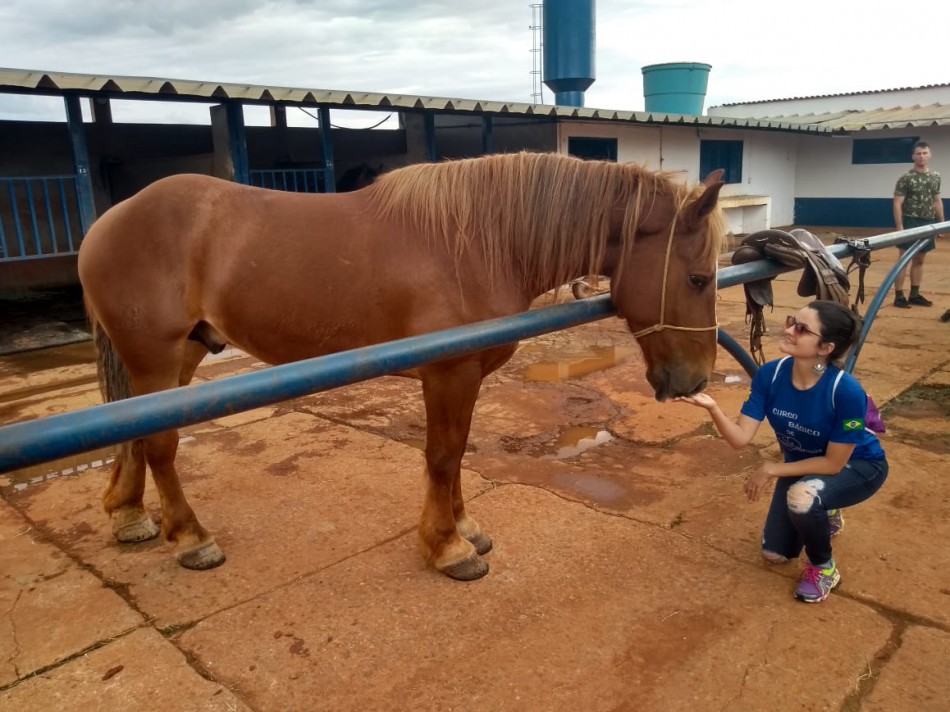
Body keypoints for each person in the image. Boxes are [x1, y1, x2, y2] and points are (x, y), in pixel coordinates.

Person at [675, 300, 888, 603]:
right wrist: (712, 408)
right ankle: (827, 509)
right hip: (805, 466)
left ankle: (823, 567)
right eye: (791, 321)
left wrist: (772, 468)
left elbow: (833, 463)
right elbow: (740, 439)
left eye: (801, 329)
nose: (788, 330)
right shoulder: (771, 375)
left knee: (802, 498)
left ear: (825, 347)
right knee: (774, 553)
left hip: (858, 467)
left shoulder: (845, 390)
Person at [892, 140, 943, 308]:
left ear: (930, 155)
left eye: (925, 153)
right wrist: (900, 226)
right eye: (918, 154)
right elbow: (897, 203)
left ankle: (914, 294)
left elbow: (937, 200)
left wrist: (941, 223)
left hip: (928, 222)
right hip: (910, 221)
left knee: (920, 259)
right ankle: (899, 296)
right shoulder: (906, 178)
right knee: (903, 260)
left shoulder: (935, 177)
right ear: (913, 156)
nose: (922, 156)